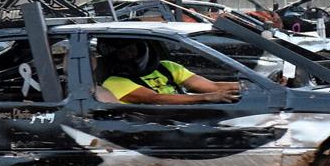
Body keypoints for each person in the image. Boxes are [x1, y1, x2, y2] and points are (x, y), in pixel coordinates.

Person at [99, 40, 240, 105]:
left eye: (130, 49)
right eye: (122, 53)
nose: (129, 56)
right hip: (155, 124)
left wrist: (248, 85)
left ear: (141, 48)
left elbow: (212, 87)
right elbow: (155, 99)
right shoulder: (113, 82)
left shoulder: (167, 67)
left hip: (182, 116)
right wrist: (207, 98)